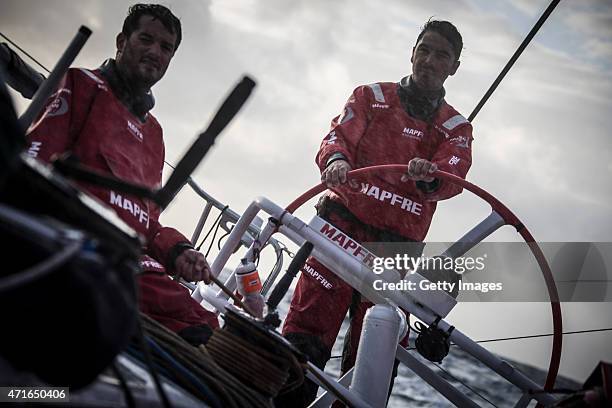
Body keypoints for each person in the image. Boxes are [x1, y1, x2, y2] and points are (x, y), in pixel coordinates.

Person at [280, 20, 473, 405]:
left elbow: (453, 173)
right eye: (425, 50)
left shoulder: (455, 127)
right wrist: (336, 160)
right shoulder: (370, 96)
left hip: (396, 252)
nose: (430, 61)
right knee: (304, 338)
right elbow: (337, 138)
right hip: (340, 233)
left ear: (453, 66)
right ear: (412, 52)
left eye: (442, 55)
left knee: (373, 359)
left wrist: (431, 177)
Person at [25, 4, 219, 345]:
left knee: (207, 323)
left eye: (165, 48)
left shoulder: (155, 135)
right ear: (121, 41)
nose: (155, 52)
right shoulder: (80, 85)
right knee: (197, 328)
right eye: (146, 39)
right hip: (77, 250)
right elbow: (31, 170)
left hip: (131, 265)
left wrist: (179, 251)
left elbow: (147, 223)